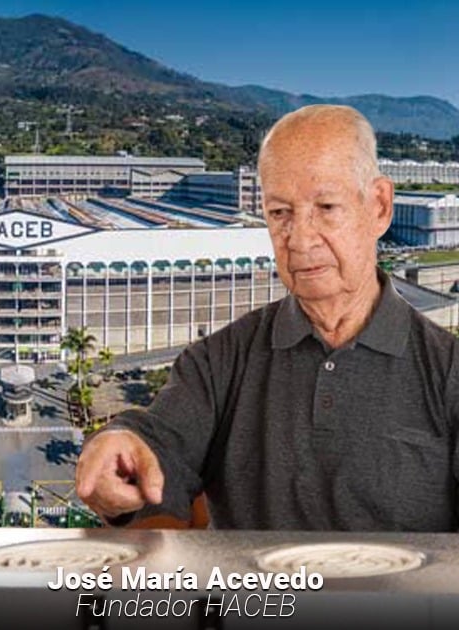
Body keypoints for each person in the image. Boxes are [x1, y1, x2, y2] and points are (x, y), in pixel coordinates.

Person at [74, 104, 459, 531]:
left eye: (326, 207)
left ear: (380, 207)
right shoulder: (219, 361)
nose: (299, 238)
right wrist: (118, 445)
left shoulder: (448, 372)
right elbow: (161, 443)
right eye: (280, 213)